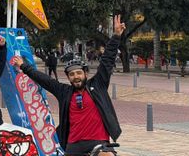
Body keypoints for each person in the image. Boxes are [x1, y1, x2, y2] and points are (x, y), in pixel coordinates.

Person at [10, 15, 125, 156]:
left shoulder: (98, 85)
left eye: (79, 73)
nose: (76, 77)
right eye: (72, 74)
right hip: (73, 145)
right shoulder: (65, 92)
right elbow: (45, 80)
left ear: (85, 74)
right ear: (68, 78)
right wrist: (23, 66)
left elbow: (107, 61)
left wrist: (116, 36)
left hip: (98, 142)